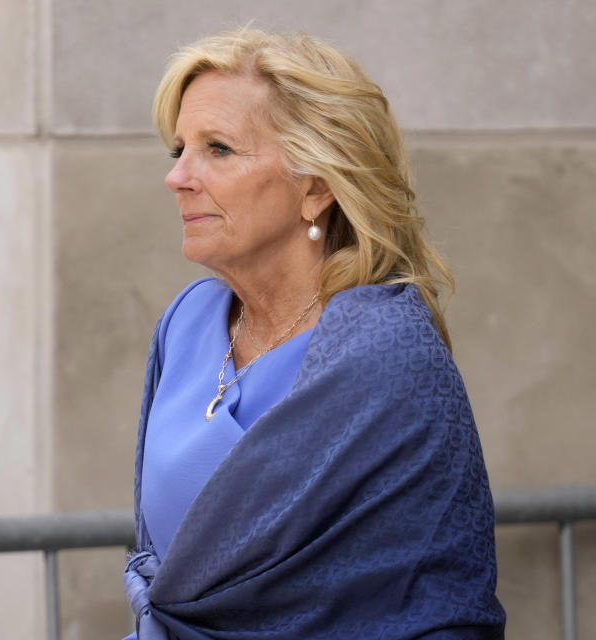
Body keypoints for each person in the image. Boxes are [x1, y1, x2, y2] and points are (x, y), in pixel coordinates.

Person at [123, 28, 506, 640]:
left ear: (317, 188)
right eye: (179, 150)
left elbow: (437, 598)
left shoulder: (387, 356)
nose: (179, 177)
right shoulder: (187, 322)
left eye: (218, 149)